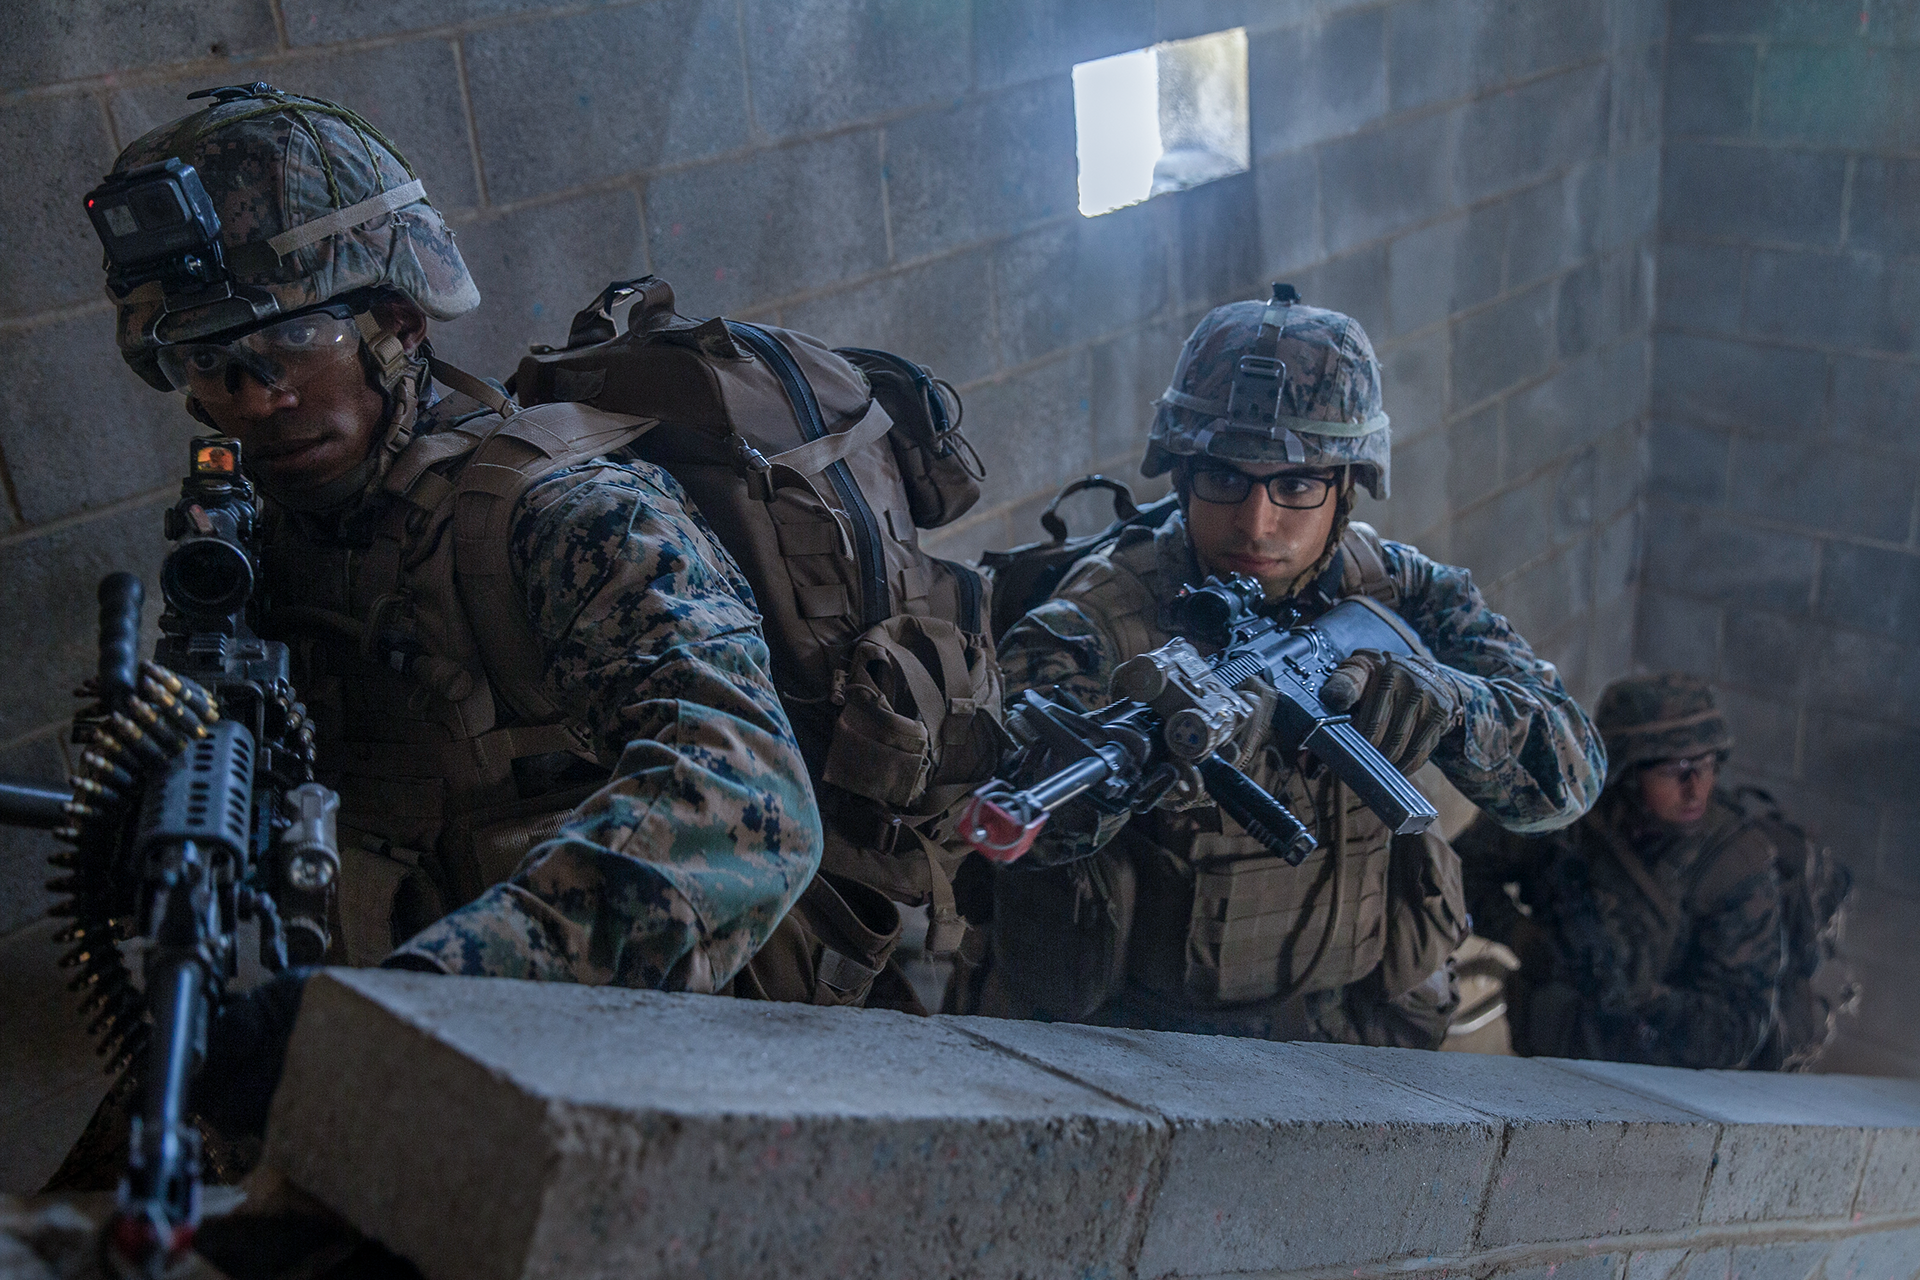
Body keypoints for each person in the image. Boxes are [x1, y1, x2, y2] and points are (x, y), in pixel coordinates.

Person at [87, 86, 822, 993]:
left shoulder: (570, 514)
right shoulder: (255, 540)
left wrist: (423, 1008)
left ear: (398, 326)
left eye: (296, 335)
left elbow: (751, 800)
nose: (253, 396)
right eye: (206, 360)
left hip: (615, 1045)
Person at [956, 287, 1605, 1048]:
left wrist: (1454, 707)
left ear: (1349, 485)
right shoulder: (1092, 622)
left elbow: (1570, 778)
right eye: (1224, 478)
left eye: (1295, 485)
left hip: (1358, 1032)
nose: (1256, 523)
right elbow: (1008, 816)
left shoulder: (1406, 591)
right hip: (1158, 1044)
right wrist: (1140, 770)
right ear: (1181, 471)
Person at [1458, 673, 1808, 1069]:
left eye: (1706, 765)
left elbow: (1738, 1028)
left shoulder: (1732, 866)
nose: (1695, 788)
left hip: (1655, 1085)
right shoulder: (1566, 811)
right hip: (1549, 1059)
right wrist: (1520, 935)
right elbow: (1458, 873)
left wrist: (1648, 1001)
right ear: (1626, 772)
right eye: (1673, 770)